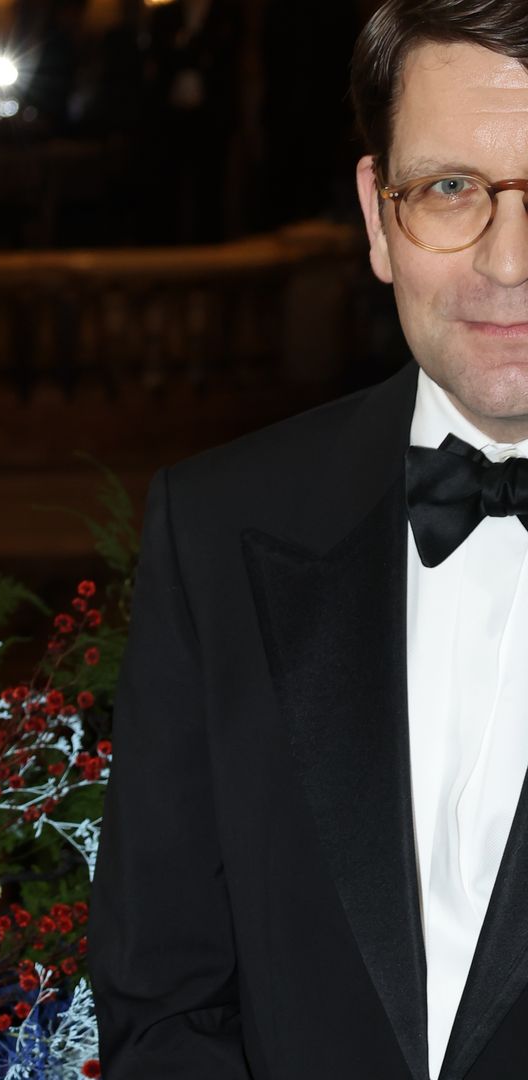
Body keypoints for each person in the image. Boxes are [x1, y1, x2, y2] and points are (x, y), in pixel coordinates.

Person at [91, 2, 528, 1077]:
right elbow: (161, 999)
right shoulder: (217, 529)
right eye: (451, 190)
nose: (508, 261)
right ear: (380, 221)